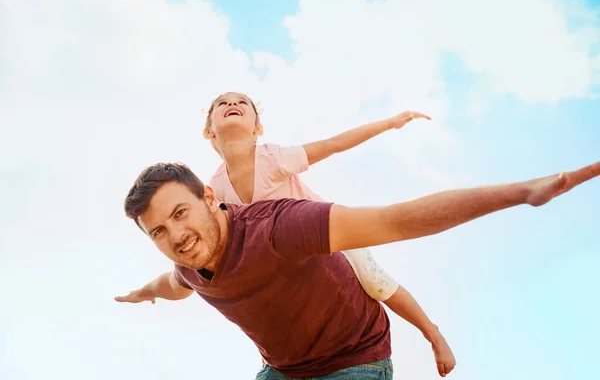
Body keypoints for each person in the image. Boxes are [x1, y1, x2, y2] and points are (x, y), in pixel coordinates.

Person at [115, 159, 599, 379]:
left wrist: (519, 193)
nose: (176, 236)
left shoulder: (280, 226)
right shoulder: (187, 267)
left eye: (180, 214)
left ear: (209, 198)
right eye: (158, 232)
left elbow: (395, 219)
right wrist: (143, 293)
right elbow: (172, 284)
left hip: (355, 361)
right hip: (285, 371)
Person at [201, 92, 455, 376]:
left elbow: (334, 144)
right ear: (208, 131)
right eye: (222, 103)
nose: (232, 104)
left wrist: (390, 123)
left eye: (241, 102)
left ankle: (432, 333)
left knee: (375, 281)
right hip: (282, 254)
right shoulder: (217, 185)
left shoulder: (273, 159)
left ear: (257, 129)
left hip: (327, 235)